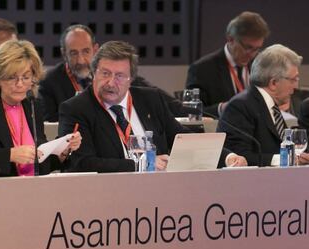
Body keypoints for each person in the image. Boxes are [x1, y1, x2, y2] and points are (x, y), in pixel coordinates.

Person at [59, 40, 246, 173]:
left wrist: (227, 157)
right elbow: (82, 163)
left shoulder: (150, 99)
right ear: (93, 73)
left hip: (161, 194)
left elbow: (183, 140)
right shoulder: (76, 109)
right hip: (109, 196)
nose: (110, 82)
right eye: (105, 73)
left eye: (119, 76)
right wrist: (143, 165)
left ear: (131, 79)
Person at [0, 40, 82, 177]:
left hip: (33, 190)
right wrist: (9, 155)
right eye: (12, 78)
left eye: (26, 77)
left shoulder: (33, 107)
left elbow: (39, 165)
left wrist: (62, 152)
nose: (20, 84)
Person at [38, 24, 184, 122]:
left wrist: (193, 111)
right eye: (73, 53)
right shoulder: (49, 82)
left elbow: (162, 99)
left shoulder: (118, 74)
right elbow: (51, 125)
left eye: (86, 51)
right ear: (64, 54)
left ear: (95, 49)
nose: (81, 60)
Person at [217, 44, 309, 166]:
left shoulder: (269, 105)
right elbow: (239, 157)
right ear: (273, 83)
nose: (295, 87)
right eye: (293, 80)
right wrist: (283, 159)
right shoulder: (240, 106)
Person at [186, 11, 270, 117]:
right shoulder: (202, 69)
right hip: (222, 131)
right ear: (230, 39)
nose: (252, 54)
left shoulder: (260, 66)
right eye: (248, 48)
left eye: (257, 49)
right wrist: (222, 108)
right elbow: (192, 113)